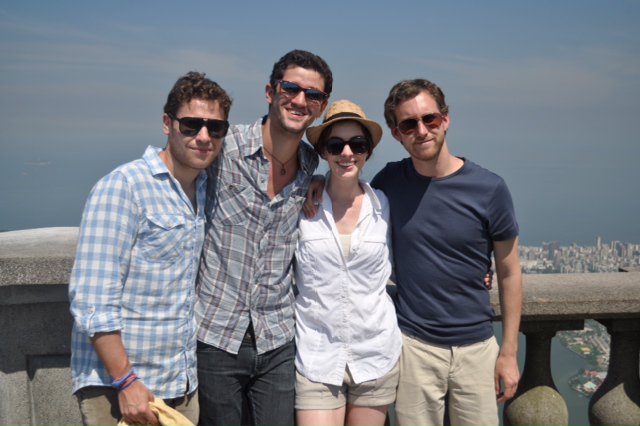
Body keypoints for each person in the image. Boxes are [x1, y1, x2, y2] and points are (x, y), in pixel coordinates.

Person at [69, 71, 232, 426]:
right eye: (191, 125)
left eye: (215, 128)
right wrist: (126, 382)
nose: (204, 137)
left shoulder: (204, 188)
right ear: (167, 124)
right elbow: (93, 300)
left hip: (180, 383)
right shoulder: (123, 187)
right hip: (122, 389)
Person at [370, 78, 523, 426]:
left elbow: (510, 271)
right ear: (397, 134)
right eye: (408, 124)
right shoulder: (388, 183)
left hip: (477, 349)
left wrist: (509, 352)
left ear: (446, 119)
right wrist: (318, 183)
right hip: (414, 350)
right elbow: (349, 201)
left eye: (430, 119)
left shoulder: (489, 189)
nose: (421, 130)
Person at [195, 50, 332, 425]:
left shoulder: (310, 165)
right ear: (271, 92)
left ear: (321, 107)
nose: (300, 100)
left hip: (277, 339)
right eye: (291, 88)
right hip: (216, 335)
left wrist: (322, 181)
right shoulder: (227, 147)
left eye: (313, 95)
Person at [294, 100, 402, 426]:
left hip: (375, 354)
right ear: (324, 151)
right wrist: (311, 181)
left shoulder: (383, 206)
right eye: (335, 144)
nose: (346, 153)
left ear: (368, 151)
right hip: (316, 356)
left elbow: (423, 246)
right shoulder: (300, 204)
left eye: (357, 144)